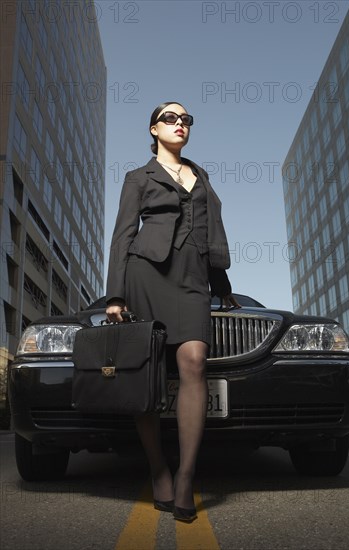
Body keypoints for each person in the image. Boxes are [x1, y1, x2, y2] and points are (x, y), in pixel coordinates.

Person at [105, 102, 239, 522]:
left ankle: (186, 474)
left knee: (194, 361)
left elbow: (209, 231)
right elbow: (122, 234)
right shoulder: (138, 177)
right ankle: (158, 468)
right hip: (148, 273)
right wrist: (115, 296)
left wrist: (223, 285)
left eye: (186, 120)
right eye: (170, 118)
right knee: (151, 373)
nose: (180, 124)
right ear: (153, 129)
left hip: (194, 278)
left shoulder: (201, 176)